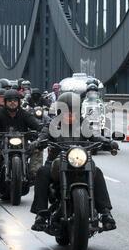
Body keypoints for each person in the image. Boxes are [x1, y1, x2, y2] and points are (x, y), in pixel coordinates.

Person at [29, 92, 118, 232]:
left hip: (80, 163)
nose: (69, 114)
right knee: (42, 172)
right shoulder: (52, 124)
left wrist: (108, 142)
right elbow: (43, 136)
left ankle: (106, 213)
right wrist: (38, 143)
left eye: (73, 110)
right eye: (66, 110)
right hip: (56, 163)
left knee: (97, 172)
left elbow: (95, 136)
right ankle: (40, 214)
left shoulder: (83, 124)